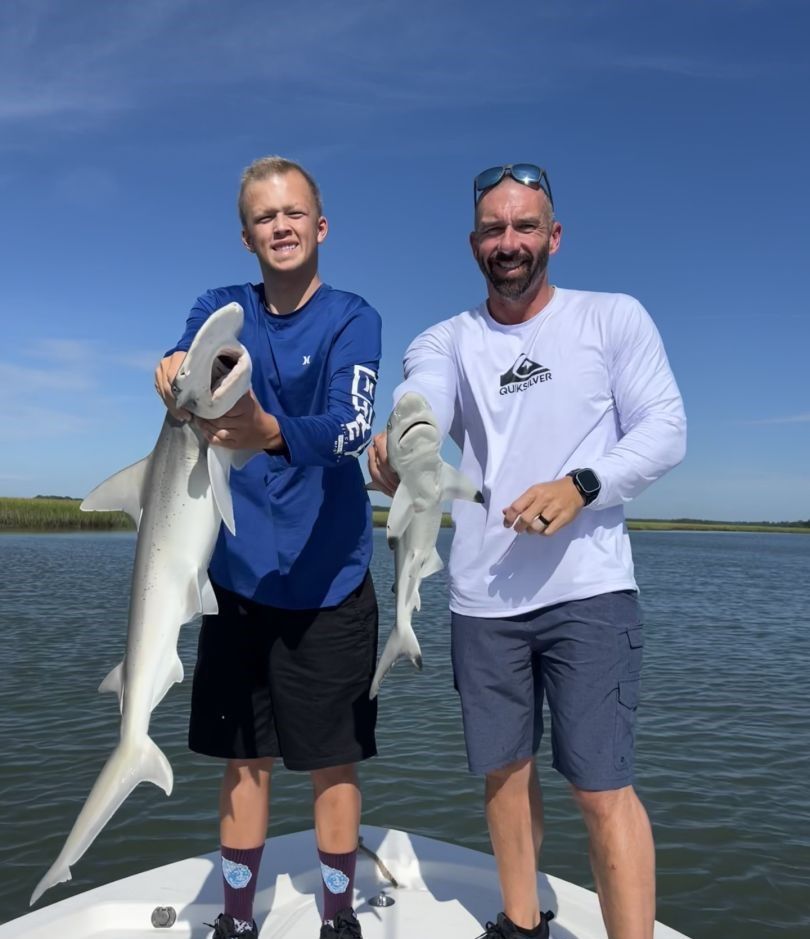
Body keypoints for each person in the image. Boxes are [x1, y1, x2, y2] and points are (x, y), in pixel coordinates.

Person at [368, 163, 686, 939]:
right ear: (474, 242)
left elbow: (666, 429)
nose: (508, 242)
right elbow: (426, 396)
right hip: (483, 601)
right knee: (504, 773)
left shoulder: (613, 318)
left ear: (554, 235)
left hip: (590, 592)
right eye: (493, 230)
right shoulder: (445, 337)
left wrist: (583, 483)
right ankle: (521, 921)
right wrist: (402, 442)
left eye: (524, 226)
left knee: (600, 785)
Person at [155, 156, 381, 939]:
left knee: (332, 763)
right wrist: (177, 373)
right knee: (242, 763)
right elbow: (198, 362)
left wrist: (272, 432)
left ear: (320, 227)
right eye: (264, 217)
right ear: (246, 234)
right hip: (239, 581)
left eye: (293, 213)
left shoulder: (354, 317)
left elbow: (351, 427)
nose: (280, 226)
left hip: (330, 585)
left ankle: (338, 918)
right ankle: (238, 921)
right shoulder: (222, 304)